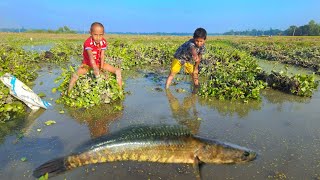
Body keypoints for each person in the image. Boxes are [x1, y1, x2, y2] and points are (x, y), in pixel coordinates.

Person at [67, 22, 122, 93]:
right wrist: (96, 69)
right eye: (95, 35)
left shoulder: (103, 42)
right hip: (87, 65)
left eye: (100, 35)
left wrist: (101, 68)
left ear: (103, 33)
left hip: (98, 64)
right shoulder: (88, 43)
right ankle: (68, 93)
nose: (98, 38)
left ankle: (120, 93)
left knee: (118, 71)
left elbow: (102, 56)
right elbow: (91, 58)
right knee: (74, 76)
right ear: (90, 33)